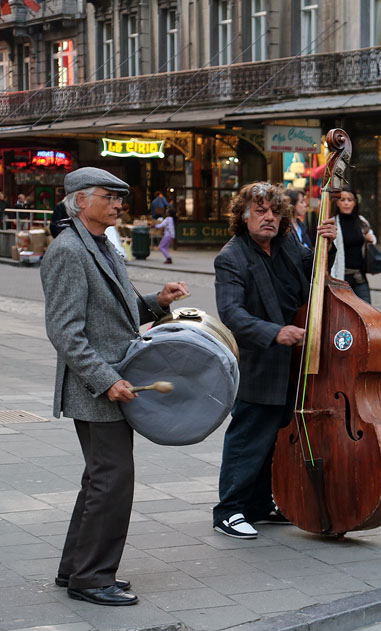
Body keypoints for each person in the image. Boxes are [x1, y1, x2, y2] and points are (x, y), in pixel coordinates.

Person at [40, 167, 188, 606]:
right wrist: (106, 382)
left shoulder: (102, 245)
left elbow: (117, 316)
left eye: (121, 197)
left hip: (113, 381)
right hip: (97, 388)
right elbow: (66, 332)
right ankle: (92, 579)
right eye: (110, 196)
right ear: (80, 200)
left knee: (99, 480)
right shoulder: (68, 251)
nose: (119, 204)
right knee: (113, 481)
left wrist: (156, 303)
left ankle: (75, 570)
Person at [212, 182, 337, 539]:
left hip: (295, 362)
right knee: (248, 438)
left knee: (275, 440)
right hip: (260, 362)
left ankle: (259, 505)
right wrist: (274, 333)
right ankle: (228, 510)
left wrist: (327, 242)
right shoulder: (231, 256)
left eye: (274, 212)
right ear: (243, 216)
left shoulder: (286, 244)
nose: (269, 217)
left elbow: (316, 275)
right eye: (260, 211)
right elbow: (231, 313)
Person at [328, 187, 377, 304]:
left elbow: (371, 238)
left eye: (350, 200)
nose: (346, 203)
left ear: (355, 203)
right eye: (342, 199)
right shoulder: (332, 223)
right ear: (337, 203)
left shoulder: (361, 221)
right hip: (341, 277)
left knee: (366, 312)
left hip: (359, 277)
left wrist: (371, 239)